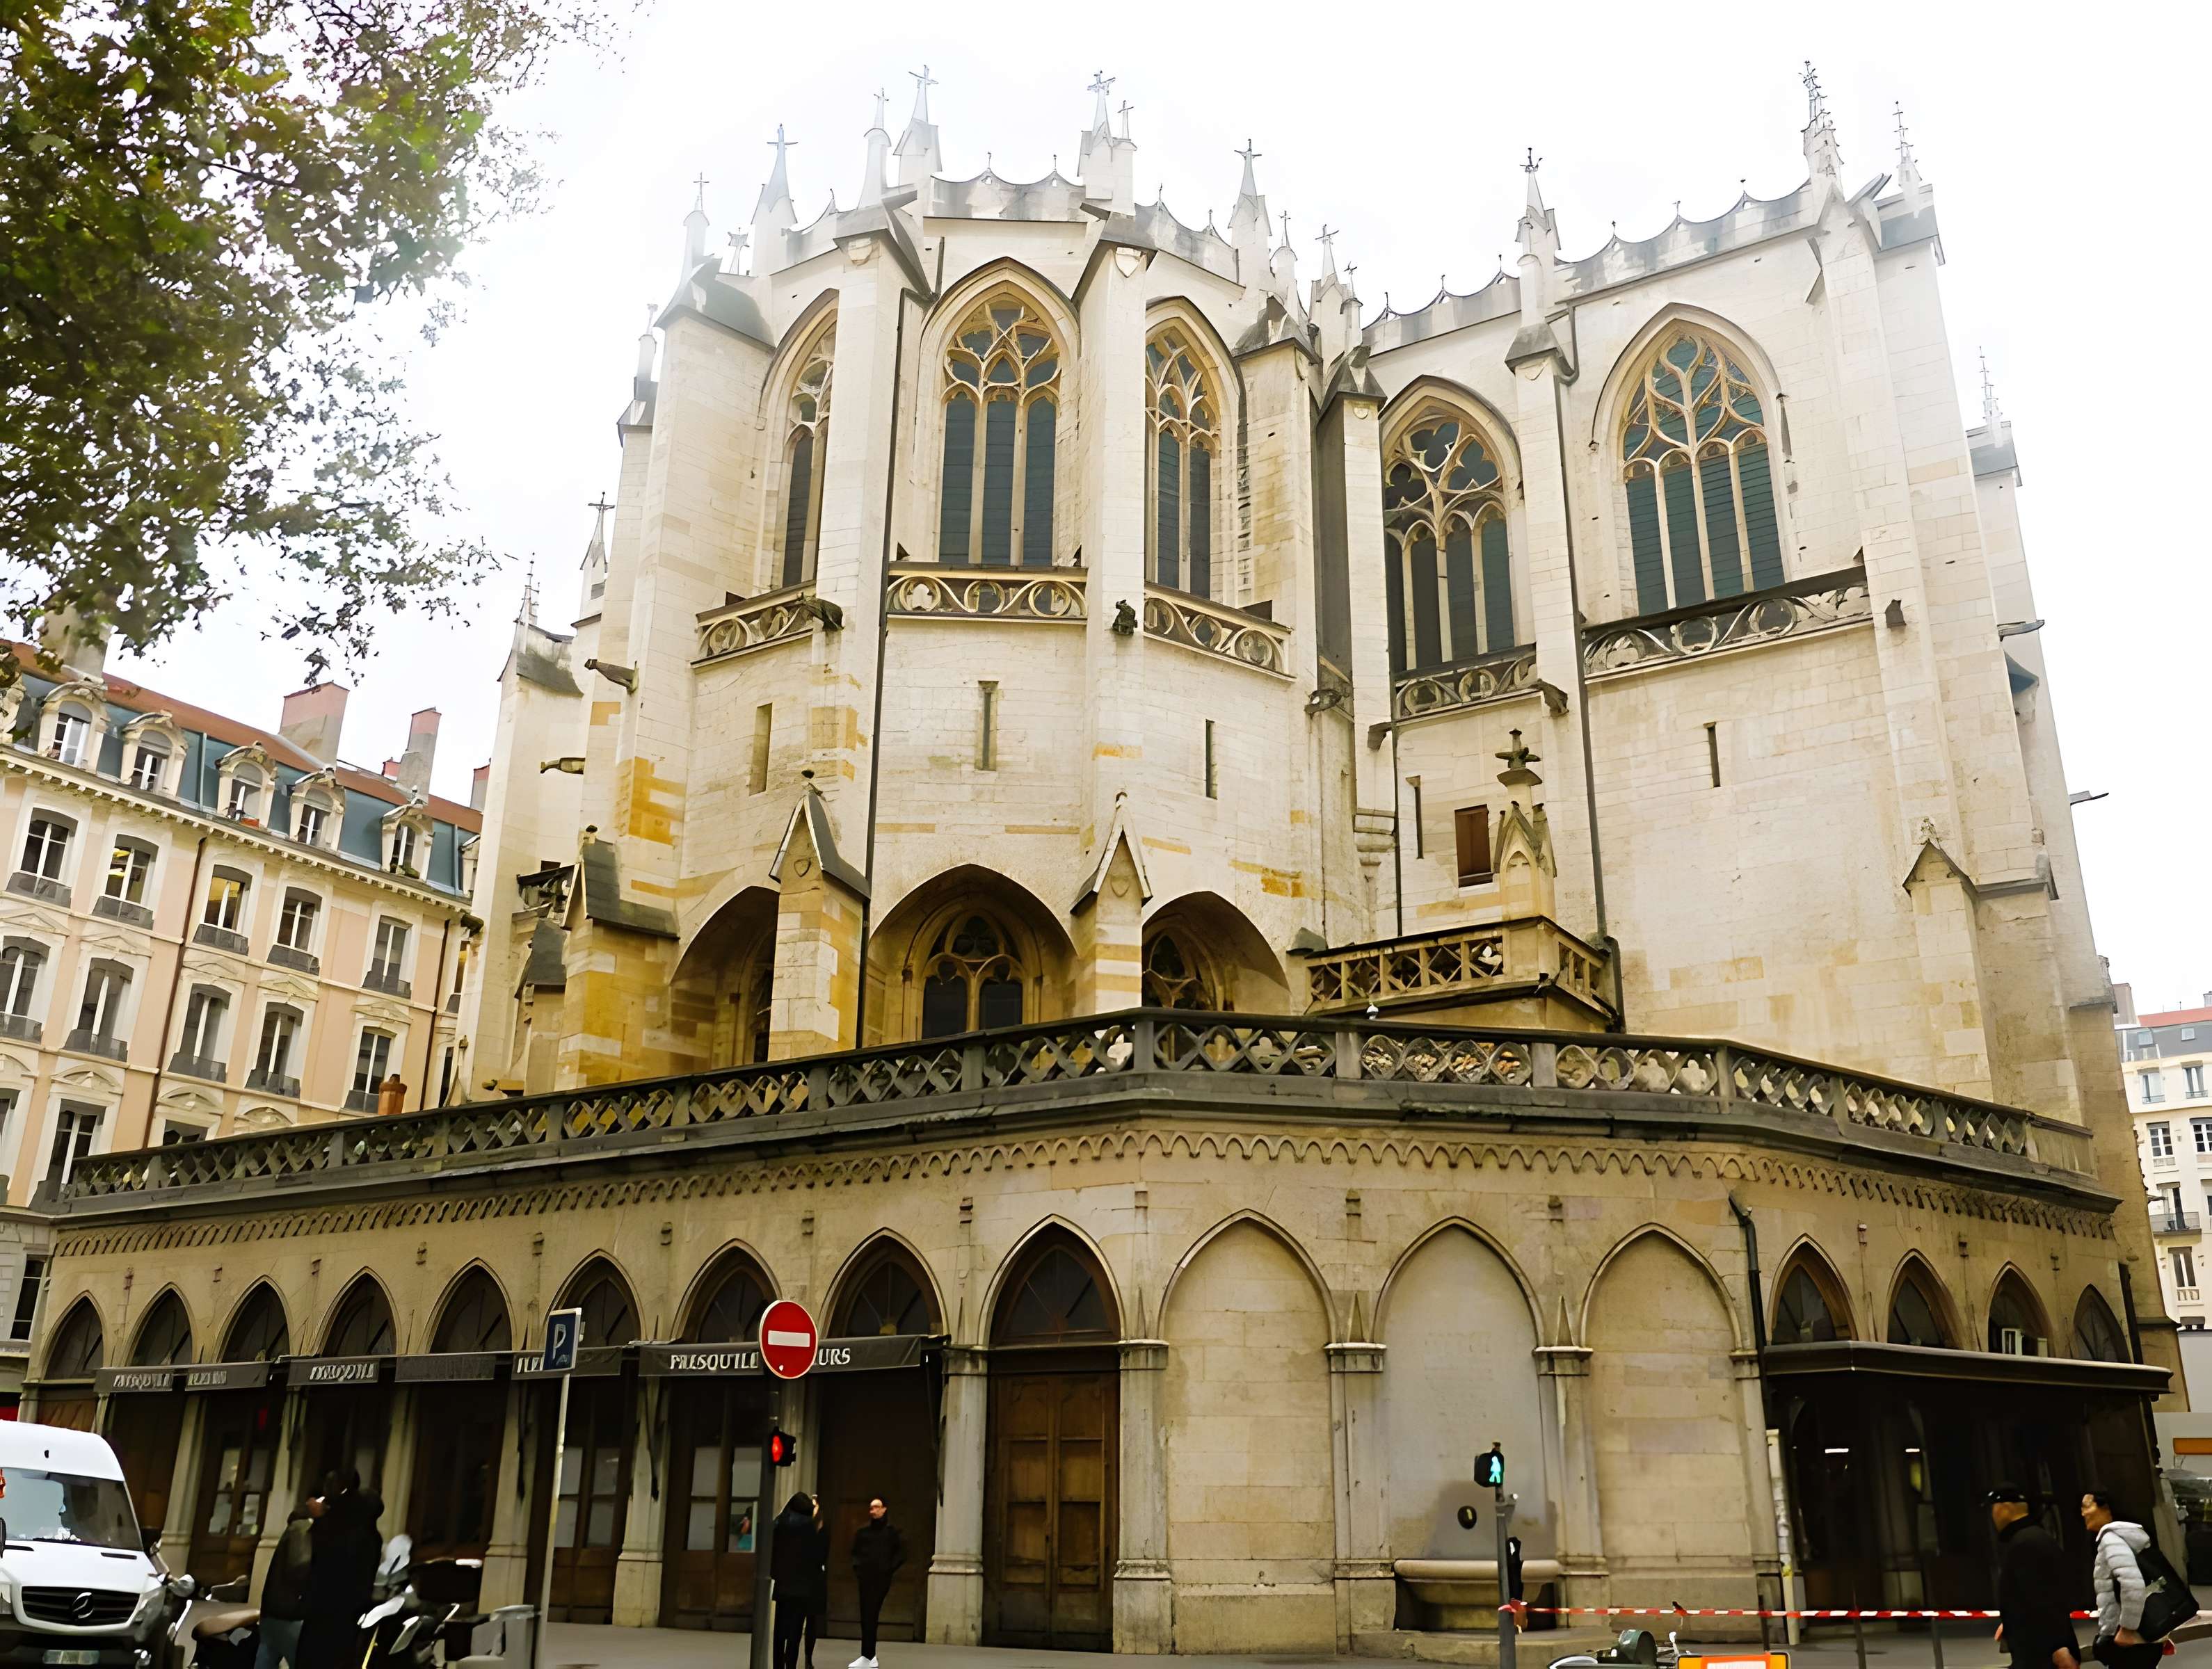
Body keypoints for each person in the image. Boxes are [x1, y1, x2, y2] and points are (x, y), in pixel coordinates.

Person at [297, 1468, 386, 1669]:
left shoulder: (347, 1530)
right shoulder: (371, 1535)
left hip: (329, 1608)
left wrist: (320, 1519)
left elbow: (329, 1557)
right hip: (349, 1610)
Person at [1990, 1486, 2079, 1669]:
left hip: (2040, 1654)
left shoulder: (2025, 1544)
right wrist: (2011, 1620)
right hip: (2036, 1649)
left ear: (2002, 1508)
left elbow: (2044, 1599)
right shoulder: (2032, 1538)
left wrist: (2058, 1648)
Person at [2083, 1491, 2161, 1669]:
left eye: (2087, 1506)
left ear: (2106, 1508)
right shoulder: (2131, 1536)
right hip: (2144, 1634)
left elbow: (2132, 1583)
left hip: (2129, 1638)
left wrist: (2127, 1628)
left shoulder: (2112, 1539)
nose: (2083, 1513)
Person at [255, 1498, 316, 1669]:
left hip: (272, 1611)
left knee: (266, 1658)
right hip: (288, 1613)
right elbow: (300, 1566)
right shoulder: (303, 1528)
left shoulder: (293, 1528)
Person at [769, 1492, 828, 1669]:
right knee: (795, 1634)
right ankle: (791, 1666)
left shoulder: (779, 1525)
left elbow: (771, 1554)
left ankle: (778, 1666)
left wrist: (776, 1574)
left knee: (779, 1633)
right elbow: (819, 1558)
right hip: (803, 1588)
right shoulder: (811, 1528)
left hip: (783, 1586)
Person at [848, 1497, 906, 1669]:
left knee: (870, 1615)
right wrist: (859, 1571)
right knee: (867, 1616)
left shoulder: (891, 1533)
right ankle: (868, 1656)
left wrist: (888, 1569)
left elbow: (900, 1554)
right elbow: (855, 1554)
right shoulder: (863, 1533)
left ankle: (868, 1656)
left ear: (884, 1509)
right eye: (871, 1508)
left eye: (877, 1507)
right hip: (866, 1579)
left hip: (881, 1579)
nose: (873, 1511)